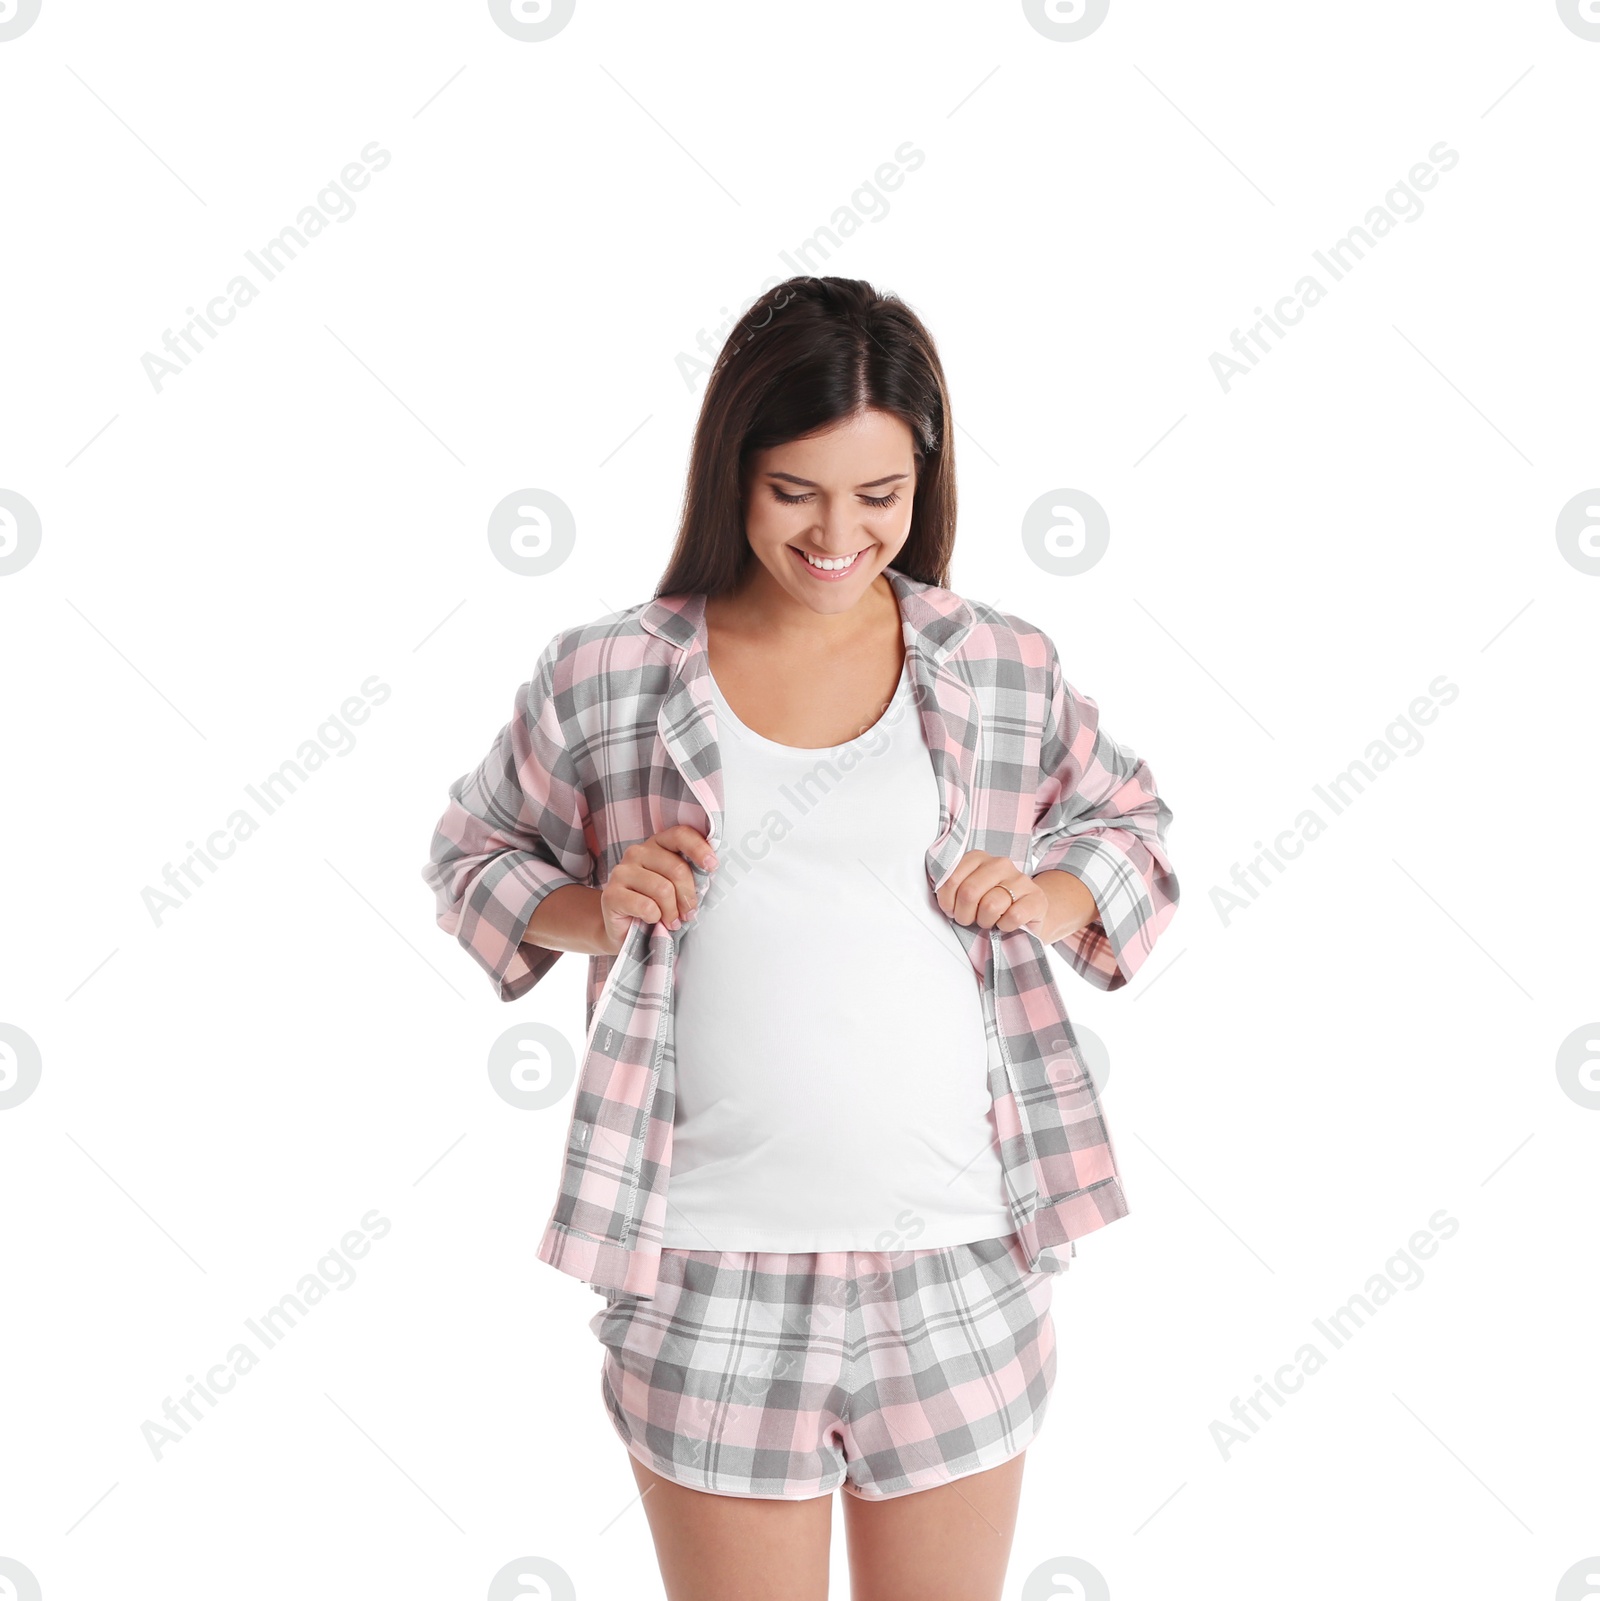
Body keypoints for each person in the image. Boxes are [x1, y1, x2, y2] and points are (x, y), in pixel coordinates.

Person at [422, 275, 1179, 1601]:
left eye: (879, 497)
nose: (841, 535)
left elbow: (1131, 826)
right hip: (705, 1275)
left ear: (924, 482)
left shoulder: (999, 663)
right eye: (796, 493)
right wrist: (591, 906)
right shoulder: (609, 674)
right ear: (734, 471)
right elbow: (472, 851)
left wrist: (1050, 897)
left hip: (959, 1262)